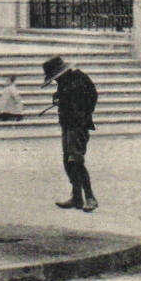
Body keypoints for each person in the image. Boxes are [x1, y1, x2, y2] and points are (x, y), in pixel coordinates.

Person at [44, 55, 99, 212]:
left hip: (78, 126)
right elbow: (64, 97)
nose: (55, 81)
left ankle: (90, 197)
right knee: (67, 161)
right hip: (67, 125)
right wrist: (58, 97)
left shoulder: (79, 79)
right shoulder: (65, 82)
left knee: (76, 160)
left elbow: (91, 98)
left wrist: (83, 114)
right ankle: (76, 197)